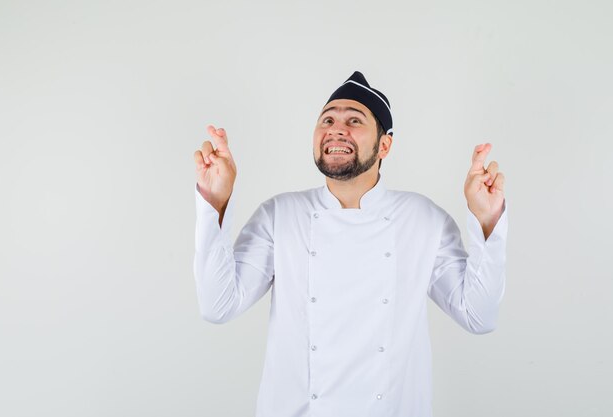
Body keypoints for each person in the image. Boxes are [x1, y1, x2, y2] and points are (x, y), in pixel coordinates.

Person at [193, 71, 507, 417]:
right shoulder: (280, 215)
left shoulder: (422, 219)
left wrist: (487, 219)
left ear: (384, 144)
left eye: (354, 120)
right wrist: (215, 199)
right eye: (327, 119)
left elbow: (479, 315)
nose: (336, 128)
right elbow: (217, 305)